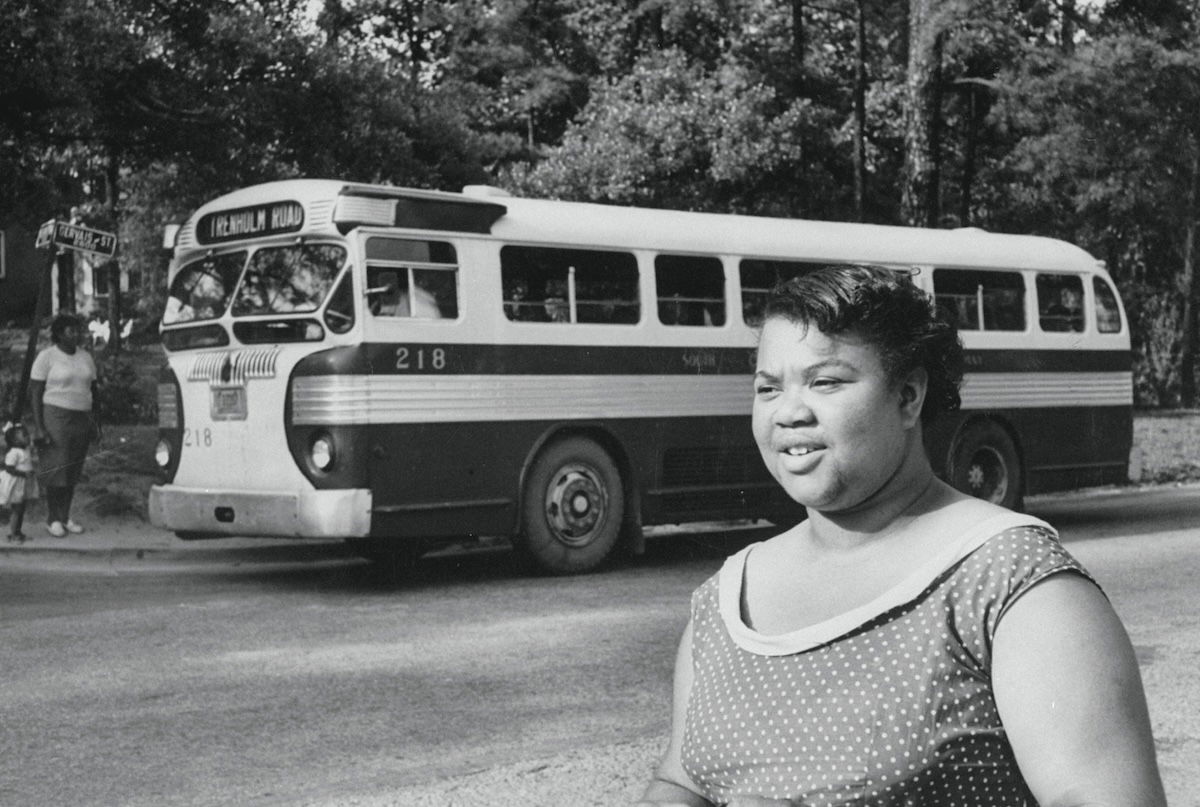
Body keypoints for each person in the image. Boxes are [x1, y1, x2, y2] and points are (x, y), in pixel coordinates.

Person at [637, 265, 1165, 807]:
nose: (789, 412)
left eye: (826, 382)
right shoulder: (726, 598)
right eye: (768, 388)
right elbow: (682, 783)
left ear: (908, 395)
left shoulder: (1010, 580)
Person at [29, 313, 102, 538]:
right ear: (59, 334)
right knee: (57, 468)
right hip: (56, 417)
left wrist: (96, 422)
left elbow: (94, 390)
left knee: (72, 469)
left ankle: (65, 516)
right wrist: (39, 427)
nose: (76, 334)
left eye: (77, 330)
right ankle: (53, 519)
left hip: (82, 417)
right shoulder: (47, 356)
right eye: (70, 330)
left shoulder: (86, 357)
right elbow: (35, 393)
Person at [0, 422, 39, 543]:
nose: (28, 437)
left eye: (27, 434)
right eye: (24, 435)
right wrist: (23, 474)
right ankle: (12, 534)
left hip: (25, 484)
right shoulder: (13, 453)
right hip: (17, 484)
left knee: (21, 509)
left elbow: (32, 450)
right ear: (15, 441)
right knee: (16, 510)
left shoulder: (25, 449)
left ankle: (18, 532)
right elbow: (9, 468)